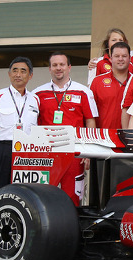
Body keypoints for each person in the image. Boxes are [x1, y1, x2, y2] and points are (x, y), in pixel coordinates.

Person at [34, 52, 98, 204]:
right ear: (49, 69)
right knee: (44, 197)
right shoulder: (38, 93)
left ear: (69, 67)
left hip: (74, 153)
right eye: (54, 65)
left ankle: (71, 227)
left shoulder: (84, 92)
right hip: (47, 154)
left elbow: (90, 121)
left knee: (73, 196)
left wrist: (88, 151)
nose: (58, 68)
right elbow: (33, 124)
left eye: (62, 64)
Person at [0, 57, 40, 199]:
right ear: (9, 74)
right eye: (14, 71)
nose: (18, 74)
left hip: (26, 152)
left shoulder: (35, 99)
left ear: (30, 75)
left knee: (23, 193)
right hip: (3, 150)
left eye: (23, 71)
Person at [89, 42, 131, 129]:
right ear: (111, 59)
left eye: (124, 56)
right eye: (116, 56)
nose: (120, 59)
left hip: (130, 137)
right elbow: (90, 113)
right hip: (104, 137)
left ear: (130, 58)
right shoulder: (97, 82)